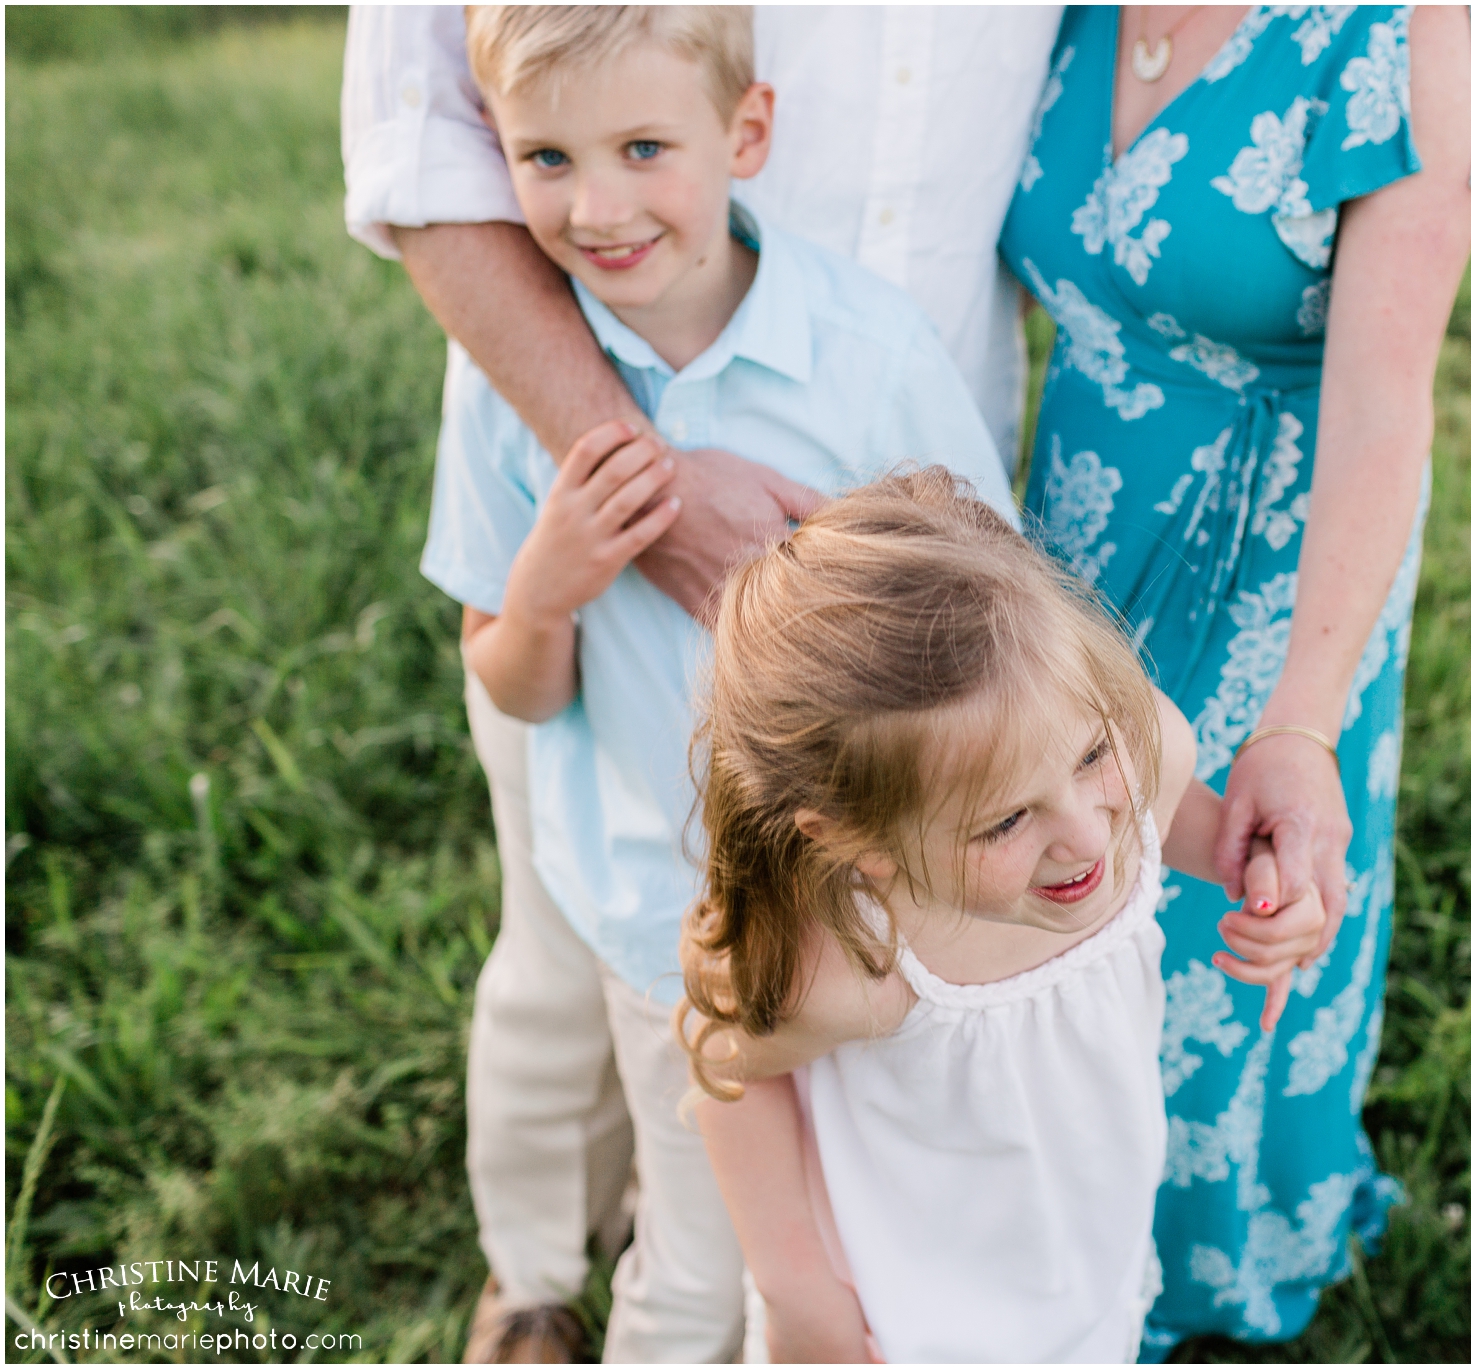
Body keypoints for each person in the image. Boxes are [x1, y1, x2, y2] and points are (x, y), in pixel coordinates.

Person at [340, 5, 1059, 1358]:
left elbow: (991, 615)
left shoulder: (875, 352)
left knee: (841, 1255)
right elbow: (517, 681)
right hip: (658, 916)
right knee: (695, 1265)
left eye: (641, 150)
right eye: (543, 160)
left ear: (747, 134)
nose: (596, 205)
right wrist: (550, 584)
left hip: (859, 902)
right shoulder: (522, 406)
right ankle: (545, 1281)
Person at [998, 4, 1471, 1355]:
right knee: (1038, 898)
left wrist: (1303, 720)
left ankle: (1202, 1264)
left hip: (1275, 593)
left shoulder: (1395, 38)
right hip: (1073, 558)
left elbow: (1380, 410)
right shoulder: (1070, 14)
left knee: (1214, 941)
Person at [679, 470, 1330, 1363]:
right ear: (865, 844)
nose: (1084, 834)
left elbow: (1168, 809)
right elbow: (731, 1071)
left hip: (1078, 1263)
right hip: (912, 1318)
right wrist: (802, 1296)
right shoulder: (856, 968)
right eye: (1006, 820)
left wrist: (1252, 868)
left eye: (1094, 751)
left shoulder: (1142, 755)